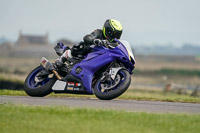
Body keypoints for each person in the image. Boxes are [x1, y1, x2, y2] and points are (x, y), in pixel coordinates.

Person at [55, 19, 123, 68]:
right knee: (84, 45)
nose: (115, 37)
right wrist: (95, 40)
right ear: (108, 30)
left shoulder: (115, 43)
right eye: (114, 34)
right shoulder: (98, 32)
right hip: (87, 55)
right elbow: (87, 37)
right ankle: (65, 55)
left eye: (117, 35)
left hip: (98, 60)